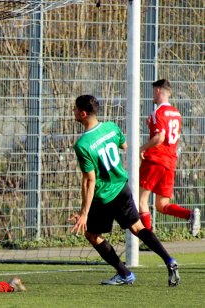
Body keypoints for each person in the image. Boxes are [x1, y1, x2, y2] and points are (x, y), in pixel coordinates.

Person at [70, 94, 180, 286]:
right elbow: (124, 145)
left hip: (104, 197)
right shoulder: (111, 127)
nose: (73, 112)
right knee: (138, 227)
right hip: (123, 188)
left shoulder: (83, 144)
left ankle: (124, 273)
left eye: (75, 109)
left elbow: (89, 181)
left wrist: (84, 213)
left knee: (92, 235)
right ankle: (169, 260)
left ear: (83, 113)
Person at [138, 79, 200, 236]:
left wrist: (142, 148)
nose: (152, 95)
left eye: (153, 91)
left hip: (155, 160)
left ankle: (148, 239)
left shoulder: (158, 112)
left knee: (140, 200)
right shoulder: (177, 113)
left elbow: (160, 137)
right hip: (170, 162)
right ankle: (190, 214)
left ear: (158, 91)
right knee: (161, 204)